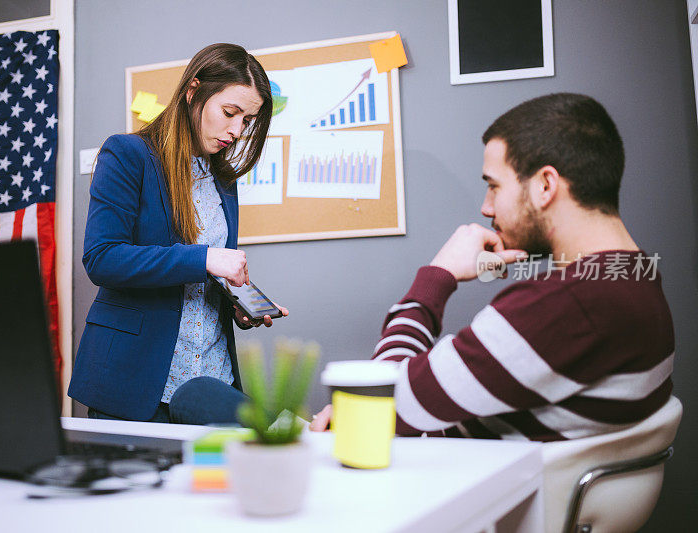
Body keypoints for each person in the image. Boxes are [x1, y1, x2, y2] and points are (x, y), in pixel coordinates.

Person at [311, 93, 674, 441]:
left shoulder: (570, 304)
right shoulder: (635, 276)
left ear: (545, 185)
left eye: (494, 186)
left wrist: (439, 275)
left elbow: (375, 401)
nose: (486, 207)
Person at [68, 43, 287, 424]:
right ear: (193, 92)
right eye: (230, 112)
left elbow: (198, 280)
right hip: (135, 383)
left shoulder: (223, 181)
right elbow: (102, 258)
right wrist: (204, 258)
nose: (236, 131)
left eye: (247, 121)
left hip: (211, 382)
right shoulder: (127, 154)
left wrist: (236, 302)